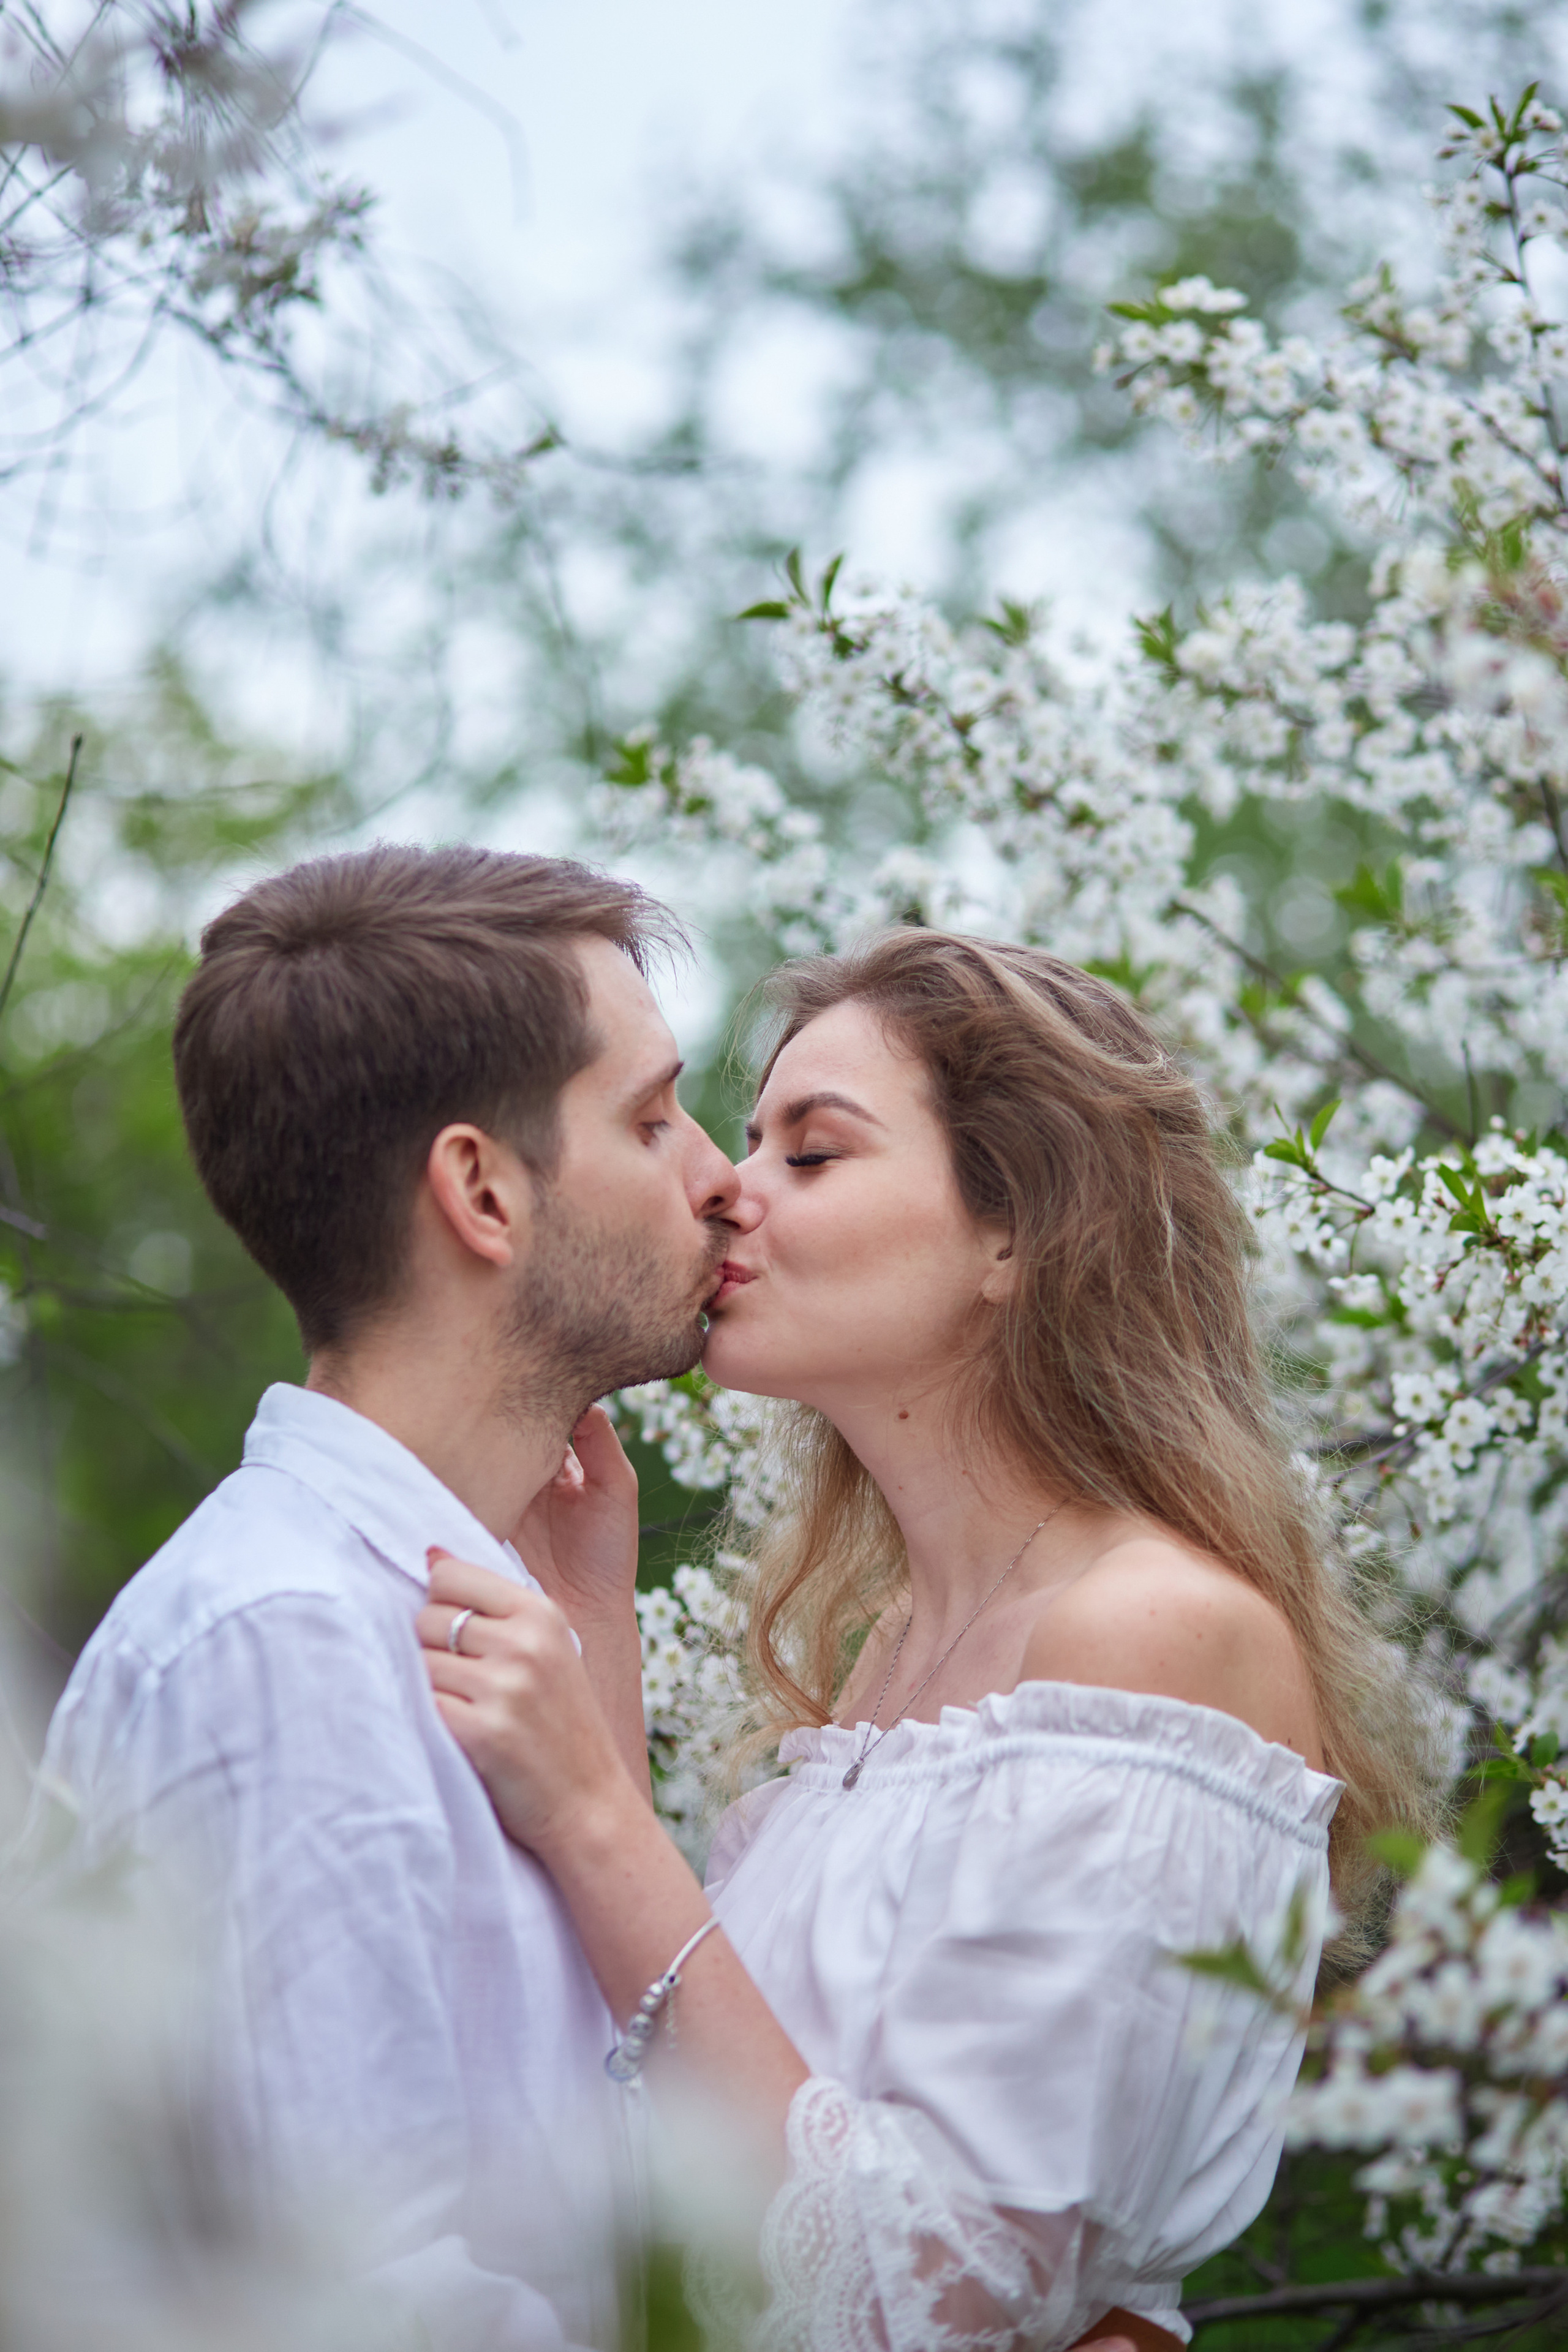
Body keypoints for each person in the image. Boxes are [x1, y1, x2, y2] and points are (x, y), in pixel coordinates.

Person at [413, 928, 1434, 2352]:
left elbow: (938, 2291)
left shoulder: (1150, 1634)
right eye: (742, 1137)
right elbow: (710, 2149)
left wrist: (591, 1815)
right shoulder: (890, 1659)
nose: (723, 1185)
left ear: (1016, 1230)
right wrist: (599, 1652)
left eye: (810, 1155)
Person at [33, 844, 745, 2351]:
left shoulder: (461, 1617)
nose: (716, 1175)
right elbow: (365, 2300)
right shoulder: (282, 1642)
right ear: (482, 1191)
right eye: (650, 1115)